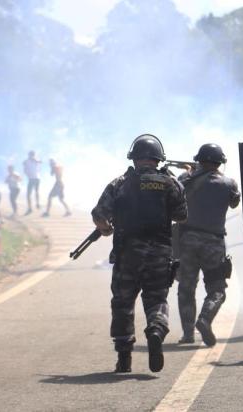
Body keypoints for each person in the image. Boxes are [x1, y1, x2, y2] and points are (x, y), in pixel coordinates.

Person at [91, 134, 187, 373]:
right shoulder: (170, 183)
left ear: (134, 158)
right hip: (160, 254)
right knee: (156, 300)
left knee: (123, 303)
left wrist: (105, 229)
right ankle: (156, 329)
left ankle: (124, 359)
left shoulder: (120, 183)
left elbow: (99, 215)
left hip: (127, 256)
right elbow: (181, 215)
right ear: (158, 158)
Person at [177, 143, 240, 346]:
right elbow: (234, 202)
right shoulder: (229, 183)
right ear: (220, 161)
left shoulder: (185, 179)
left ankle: (188, 334)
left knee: (186, 288)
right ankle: (205, 318)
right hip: (214, 242)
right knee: (217, 289)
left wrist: (191, 172)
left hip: (187, 241)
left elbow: (177, 195)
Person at [23, 150, 41, 215]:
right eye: (30, 155)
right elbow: (24, 168)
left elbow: (40, 162)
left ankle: (37, 203)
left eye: (32, 155)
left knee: (36, 191)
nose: (31, 156)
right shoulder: (26, 161)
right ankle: (30, 208)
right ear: (29, 155)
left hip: (36, 178)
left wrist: (35, 159)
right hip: (31, 178)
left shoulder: (36, 160)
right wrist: (27, 174)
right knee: (28, 194)